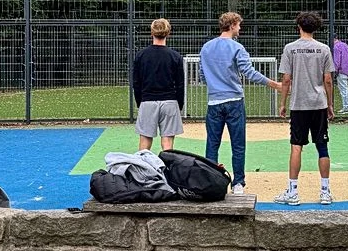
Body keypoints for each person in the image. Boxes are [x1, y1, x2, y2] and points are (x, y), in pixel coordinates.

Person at [199, 12, 282, 195]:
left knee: (212, 143)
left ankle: (209, 180)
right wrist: (274, 84)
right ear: (233, 24)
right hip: (234, 101)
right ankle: (238, 183)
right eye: (239, 25)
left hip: (214, 101)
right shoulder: (237, 47)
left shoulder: (206, 48)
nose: (240, 28)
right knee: (238, 144)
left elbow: (202, 76)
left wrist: (215, 84)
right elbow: (249, 73)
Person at [274, 12, 336, 206]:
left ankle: (292, 192)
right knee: (322, 146)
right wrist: (330, 104)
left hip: (299, 105)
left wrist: (283, 102)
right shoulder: (324, 49)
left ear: (299, 26)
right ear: (315, 28)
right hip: (318, 104)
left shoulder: (290, 48)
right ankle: (325, 192)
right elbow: (328, 80)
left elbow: (286, 79)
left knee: (296, 146)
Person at [132, 18, 185, 151]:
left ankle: (142, 169)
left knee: (145, 141)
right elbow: (180, 84)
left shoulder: (141, 56)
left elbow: (136, 83)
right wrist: (179, 104)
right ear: (168, 33)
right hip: (170, 102)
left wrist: (141, 102)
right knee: (167, 143)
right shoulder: (175, 56)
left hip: (147, 101)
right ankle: (167, 170)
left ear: (152, 32)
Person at [333, 36, 348, 113]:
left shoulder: (336, 47)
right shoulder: (344, 45)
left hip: (341, 70)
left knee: (343, 89)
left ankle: (346, 107)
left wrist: (334, 70)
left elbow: (336, 60)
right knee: (345, 88)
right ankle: (346, 106)